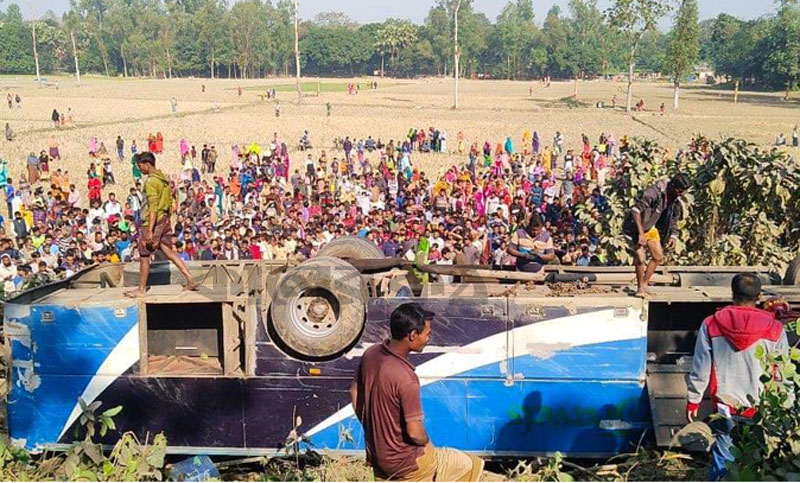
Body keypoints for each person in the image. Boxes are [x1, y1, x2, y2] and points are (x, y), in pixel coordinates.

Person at [350, 303, 483, 481]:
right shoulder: (406, 377)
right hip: (406, 463)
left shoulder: (371, 353)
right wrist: (427, 443)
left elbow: (354, 393)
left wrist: (373, 429)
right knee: (470, 465)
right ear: (412, 335)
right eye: (427, 334)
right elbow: (415, 433)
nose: (429, 338)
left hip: (377, 457)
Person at [687, 273, 788, 481]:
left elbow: (701, 367)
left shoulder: (711, 324)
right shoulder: (775, 328)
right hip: (761, 409)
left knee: (723, 456)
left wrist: (693, 401)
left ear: (732, 294)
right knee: (757, 461)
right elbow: (782, 372)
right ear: (759, 297)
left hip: (726, 406)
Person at [124, 152, 196, 298]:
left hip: (153, 222)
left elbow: (153, 207)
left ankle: (141, 289)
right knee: (168, 251)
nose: (140, 169)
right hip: (164, 220)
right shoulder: (164, 179)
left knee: (144, 255)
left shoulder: (151, 181)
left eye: (140, 166)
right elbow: (170, 202)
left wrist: (150, 230)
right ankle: (190, 278)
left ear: (146, 164)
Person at [623, 173, 689, 296]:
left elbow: (673, 219)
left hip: (650, 228)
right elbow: (635, 211)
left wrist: (674, 235)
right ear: (672, 186)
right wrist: (641, 234)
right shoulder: (653, 193)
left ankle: (644, 283)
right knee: (640, 258)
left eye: (683, 192)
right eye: (679, 191)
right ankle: (640, 288)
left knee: (658, 256)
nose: (681, 194)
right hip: (635, 228)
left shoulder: (675, 200)